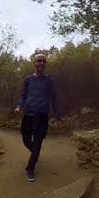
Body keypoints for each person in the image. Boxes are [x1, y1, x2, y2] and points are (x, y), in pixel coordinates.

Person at [15, 53, 61, 182]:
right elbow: (23, 95)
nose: (41, 63)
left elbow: (54, 98)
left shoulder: (49, 81)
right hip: (28, 115)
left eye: (44, 61)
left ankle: (30, 168)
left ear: (45, 64)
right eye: (39, 61)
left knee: (37, 143)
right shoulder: (28, 80)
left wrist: (58, 116)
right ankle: (35, 152)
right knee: (25, 139)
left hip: (42, 116)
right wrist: (19, 106)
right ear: (34, 63)